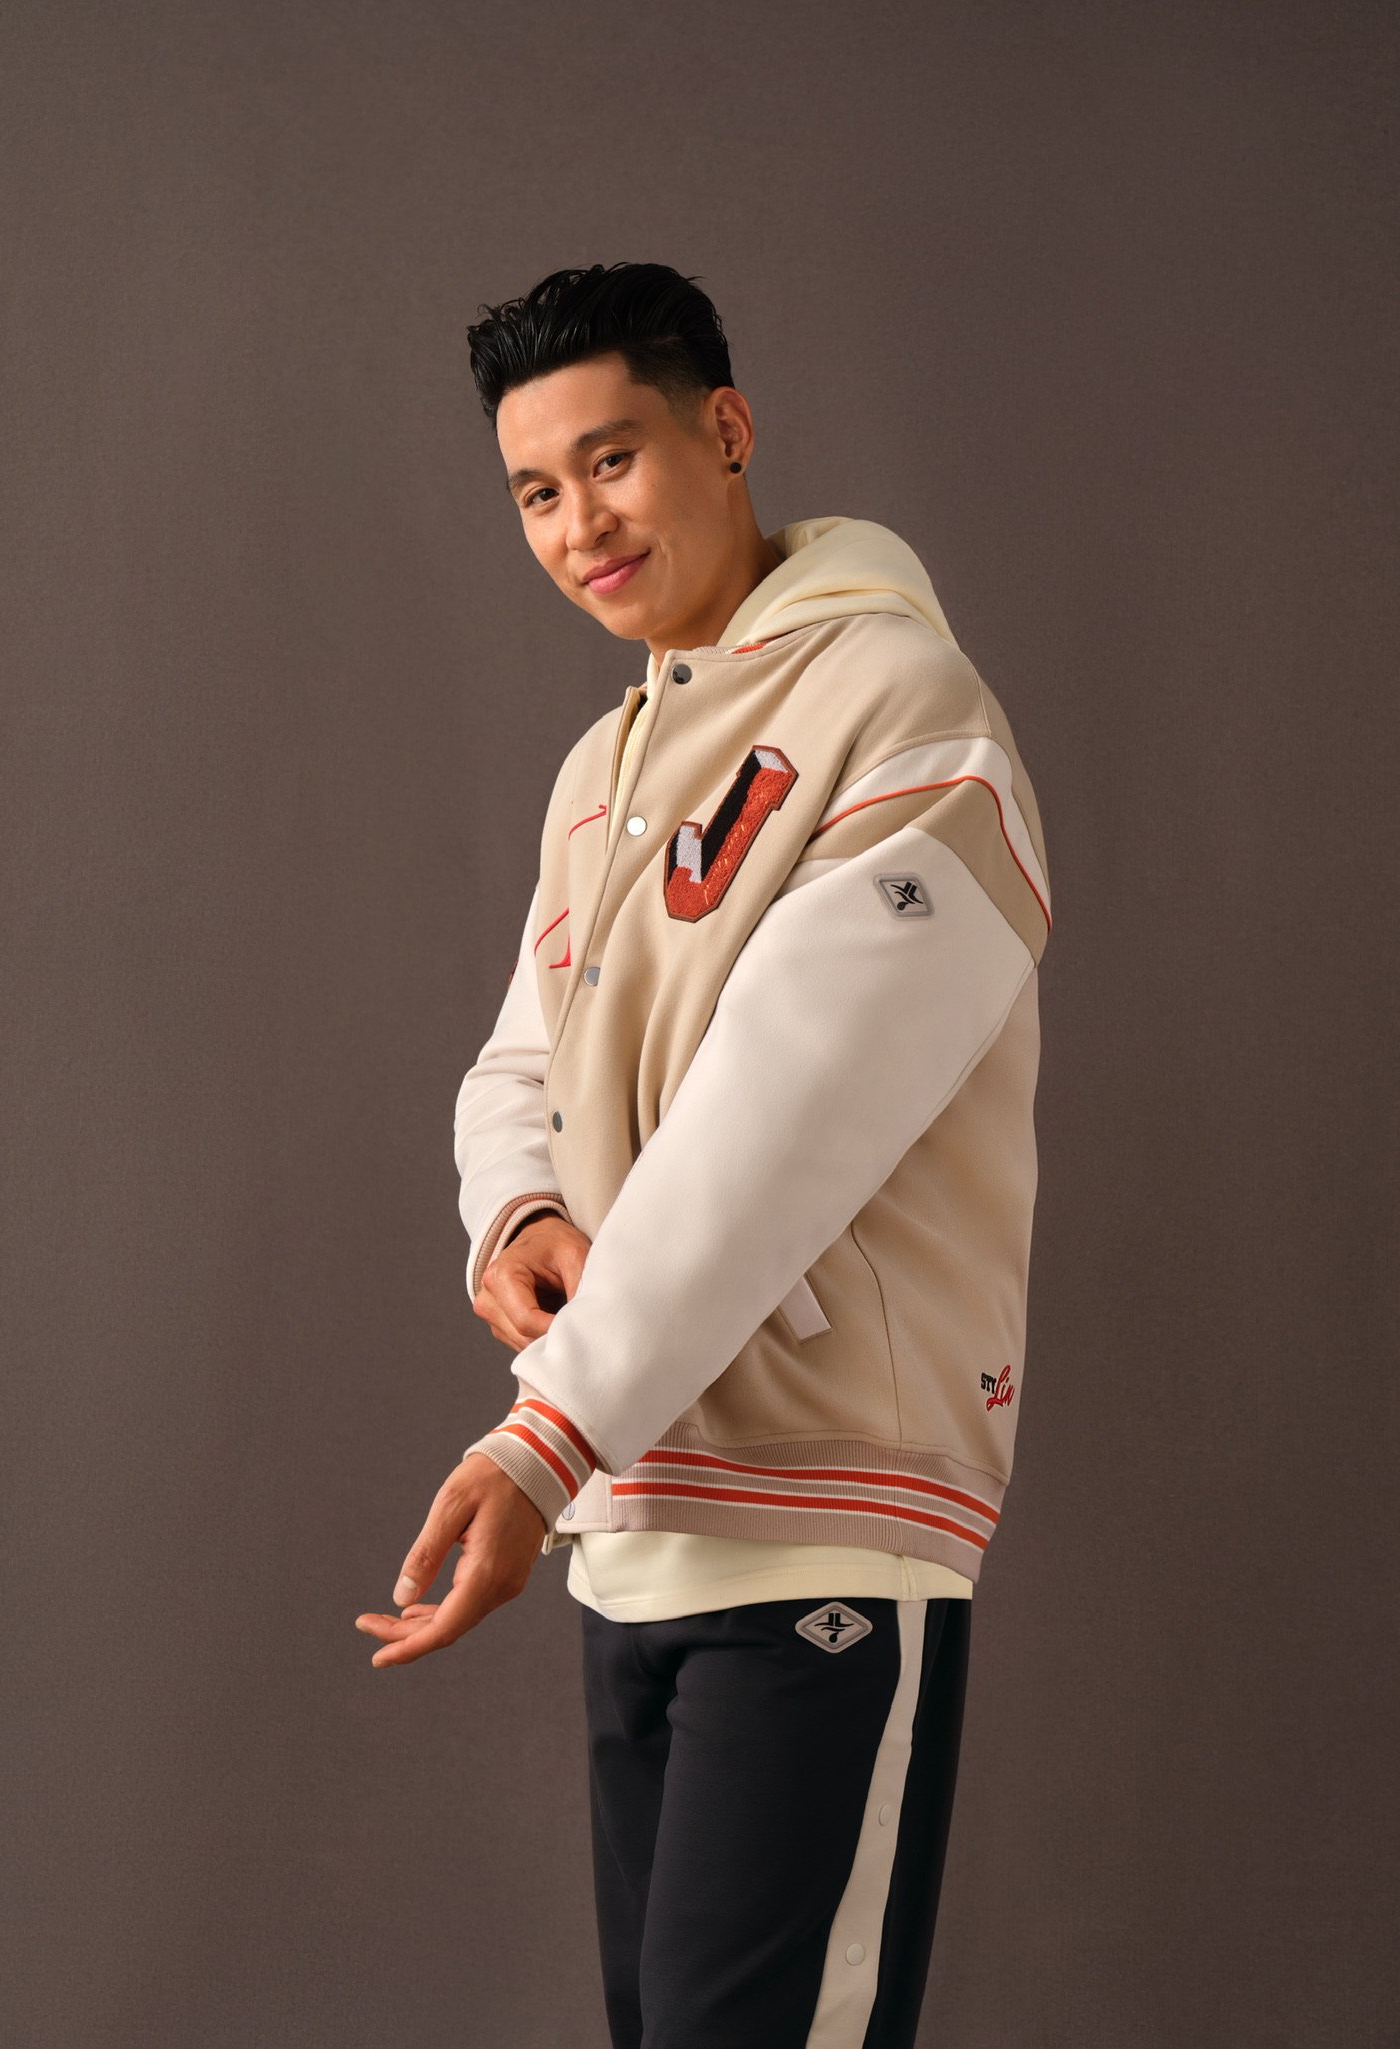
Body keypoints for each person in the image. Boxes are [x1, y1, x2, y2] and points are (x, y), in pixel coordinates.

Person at [356, 261, 1054, 2048]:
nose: (579, 523)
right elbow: (521, 1053)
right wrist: (515, 1205)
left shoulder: (907, 708)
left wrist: (539, 1430)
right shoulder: (604, 764)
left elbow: (784, 1115)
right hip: (639, 1519)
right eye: (534, 490)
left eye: (612, 461)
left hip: (829, 1510)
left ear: (724, 434)